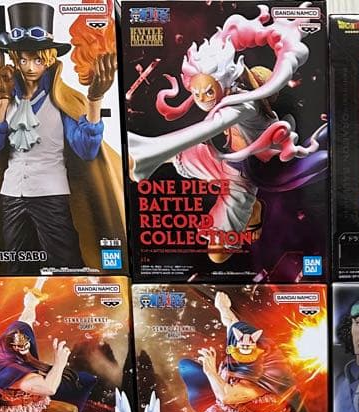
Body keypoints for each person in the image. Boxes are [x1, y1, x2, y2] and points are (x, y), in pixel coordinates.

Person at [127, 8, 325, 264]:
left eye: (208, 92)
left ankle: (254, 208)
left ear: (224, 83)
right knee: (157, 159)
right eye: (196, 93)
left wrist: (148, 152)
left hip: (242, 177)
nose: (201, 99)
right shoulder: (227, 96)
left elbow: (206, 129)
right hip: (217, 158)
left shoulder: (243, 106)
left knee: (218, 255)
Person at [0, 1, 124, 273]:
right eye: (23, 60)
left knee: (64, 262)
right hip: (11, 193)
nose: (30, 67)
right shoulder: (8, 98)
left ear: (49, 59)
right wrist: (2, 99)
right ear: (14, 60)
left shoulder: (61, 99)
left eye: (37, 60)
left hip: (50, 193)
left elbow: (86, 148)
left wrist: (94, 100)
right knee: (15, 265)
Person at [185, 290, 309, 412]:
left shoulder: (261, 378)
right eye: (240, 345)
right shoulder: (239, 347)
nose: (243, 348)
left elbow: (226, 396)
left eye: (248, 348)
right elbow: (232, 324)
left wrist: (210, 371)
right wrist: (224, 308)